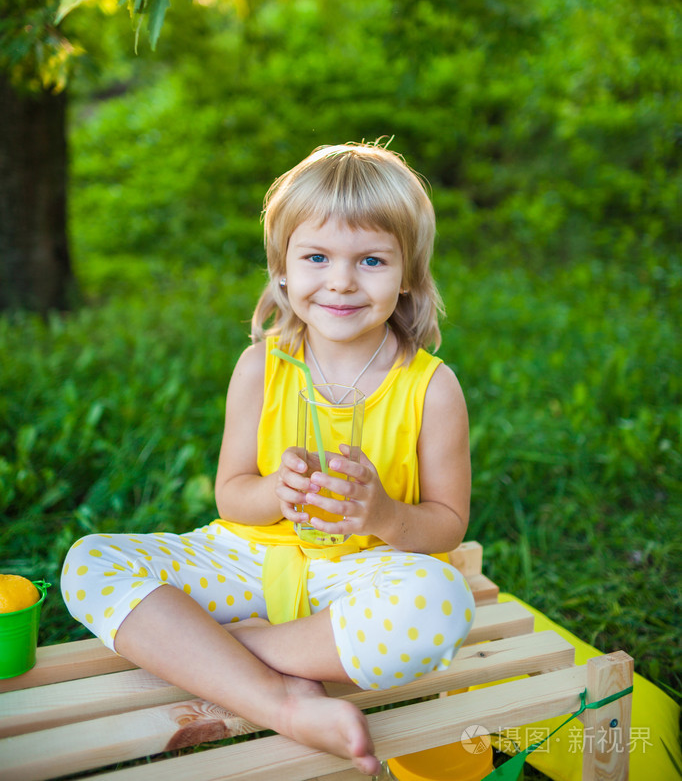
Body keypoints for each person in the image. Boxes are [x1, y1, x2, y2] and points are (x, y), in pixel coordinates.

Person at [61, 141, 474, 775]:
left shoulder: (431, 388)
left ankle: (228, 649)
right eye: (316, 257)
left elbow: (447, 523)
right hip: (244, 558)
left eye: (370, 260)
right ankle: (281, 699)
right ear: (282, 269)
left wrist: (384, 515)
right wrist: (274, 493)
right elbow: (232, 493)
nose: (340, 280)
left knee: (441, 602)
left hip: (360, 576)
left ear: (410, 275)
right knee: (89, 563)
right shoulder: (261, 367)